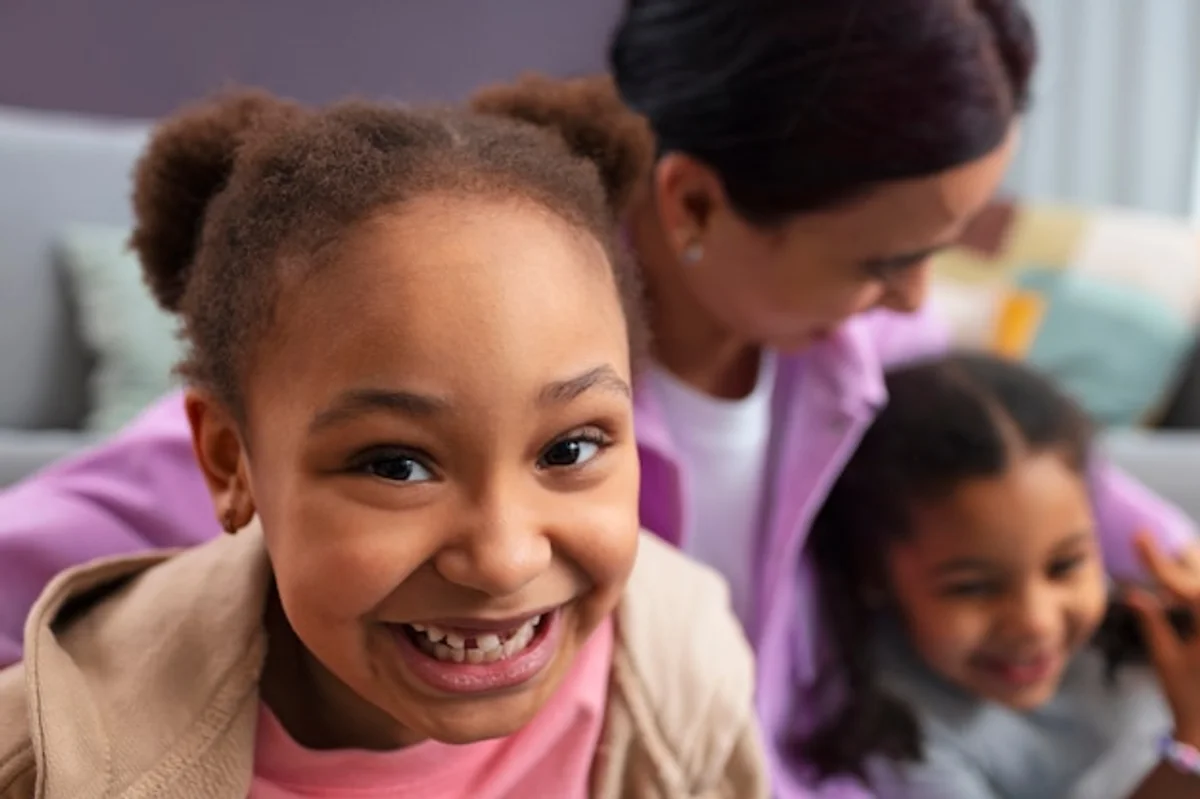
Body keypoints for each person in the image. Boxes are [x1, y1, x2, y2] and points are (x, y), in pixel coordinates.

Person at [0, 1, 1196, 795]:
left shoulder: (865, 356)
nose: (912, 299)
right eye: (881, 257)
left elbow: (1081, 497)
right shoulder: (274, 435)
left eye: (575, 446)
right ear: (691, 206)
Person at [0, 91, 767, 798]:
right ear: (232, 463)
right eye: (396, 465)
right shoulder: (51, 759)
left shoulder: (684, 672)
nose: (504, 558)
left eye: (567, 450)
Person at [803, 353, 1200, 798]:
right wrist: (1190, 753)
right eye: (973, 587)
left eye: (1065, 565)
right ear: (873, 572)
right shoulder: (904, 741)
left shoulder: (1146, 624)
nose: (1036, 620)